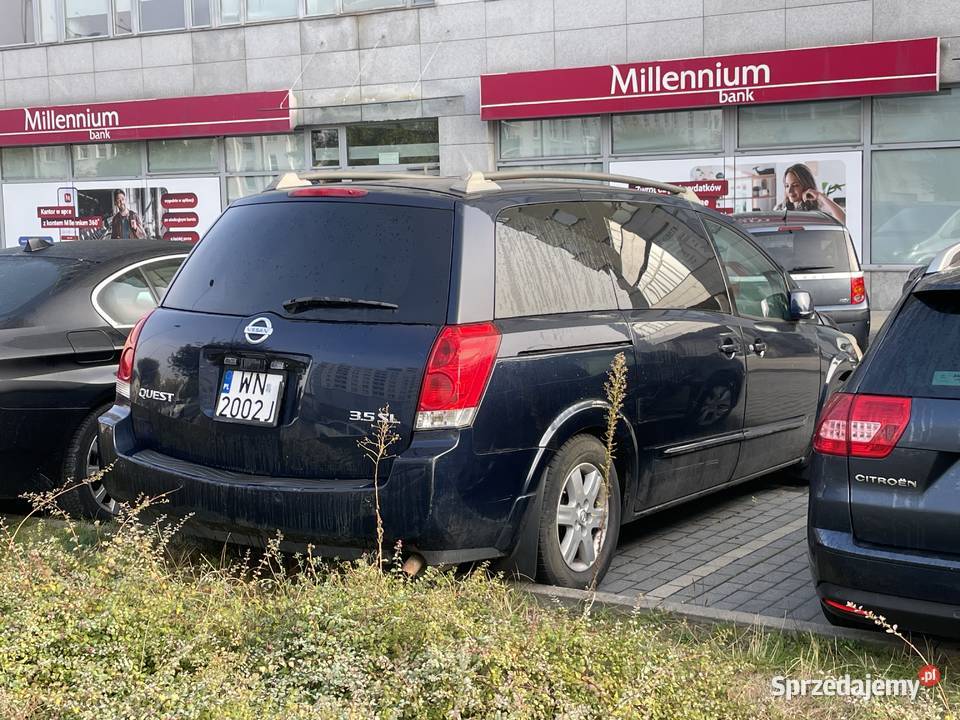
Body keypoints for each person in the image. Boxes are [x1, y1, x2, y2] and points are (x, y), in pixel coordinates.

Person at [775, 163, 846, 224]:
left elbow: (843, 220)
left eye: (795, 185)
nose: (790, 191)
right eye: (787, 186)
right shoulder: (780, 209)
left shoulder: (818, 210)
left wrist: (819, 196)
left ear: (806, 185)